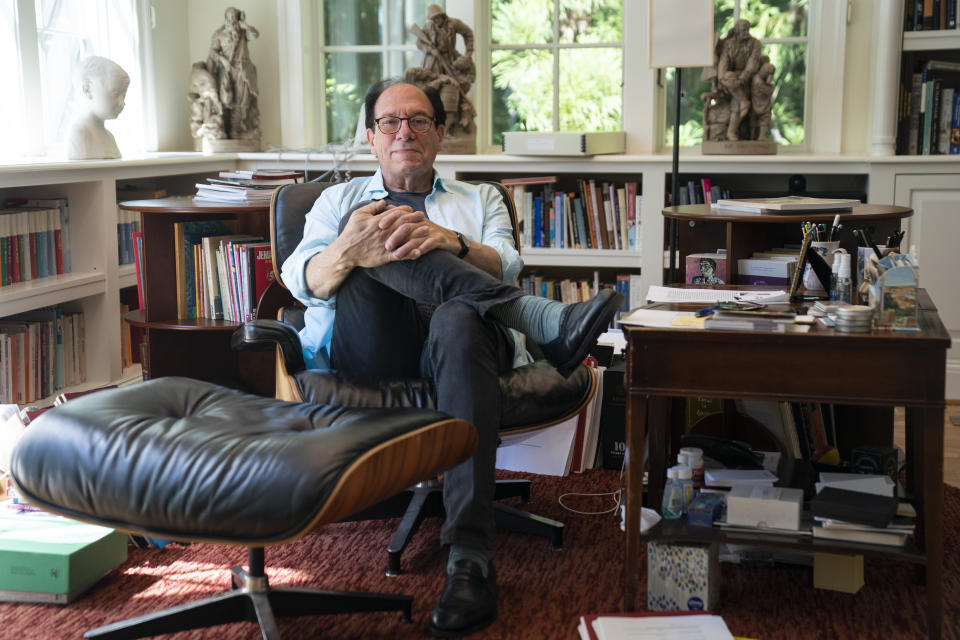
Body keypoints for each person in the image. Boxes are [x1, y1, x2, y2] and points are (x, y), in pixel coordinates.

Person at [281, 78, 621, 637]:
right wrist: (351, 246)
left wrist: (448, 241)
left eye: (418, 120)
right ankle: (542, 320)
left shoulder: (479, 197)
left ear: (439, 134)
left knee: (459, 314)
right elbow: (304, 282)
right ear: (370, 137)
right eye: (390, 121)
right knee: (371, 229)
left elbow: (505, 265)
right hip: (371, 345)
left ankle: (469, 558)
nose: (404, 132)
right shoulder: (335, 201)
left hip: (462, 346)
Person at [206, 7, 260, 139]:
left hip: (242, 69)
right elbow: (213, 52)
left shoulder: (243, 32)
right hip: (227, 70)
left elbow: (255, 35)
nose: (231, 20)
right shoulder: (219, 34)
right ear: (225, 18)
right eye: (229, 17)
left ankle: (236, 130)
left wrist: (245, 24)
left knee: (242, 99)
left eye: (234, 17)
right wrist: (222, 59)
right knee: (227, 100)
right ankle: (226, 130)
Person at [66, 56, 129, 160]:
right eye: (116, 94)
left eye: (124, 95)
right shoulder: (79, 135)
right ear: (87, 89)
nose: (122, 103)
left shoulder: (110, 137)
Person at [716, 19, 762, 141]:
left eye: (747, 29)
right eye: (742, 29)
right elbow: (723, 62)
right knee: (728, 77)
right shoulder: (729, 44)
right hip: (732, 78)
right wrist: (724, 76)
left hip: (746, 77)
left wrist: (743, 78)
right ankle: (743, 101)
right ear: (736, 30)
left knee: (736, 102)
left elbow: (752, 64)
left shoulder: (755, 44)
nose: (745, 32)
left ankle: (731, 132)